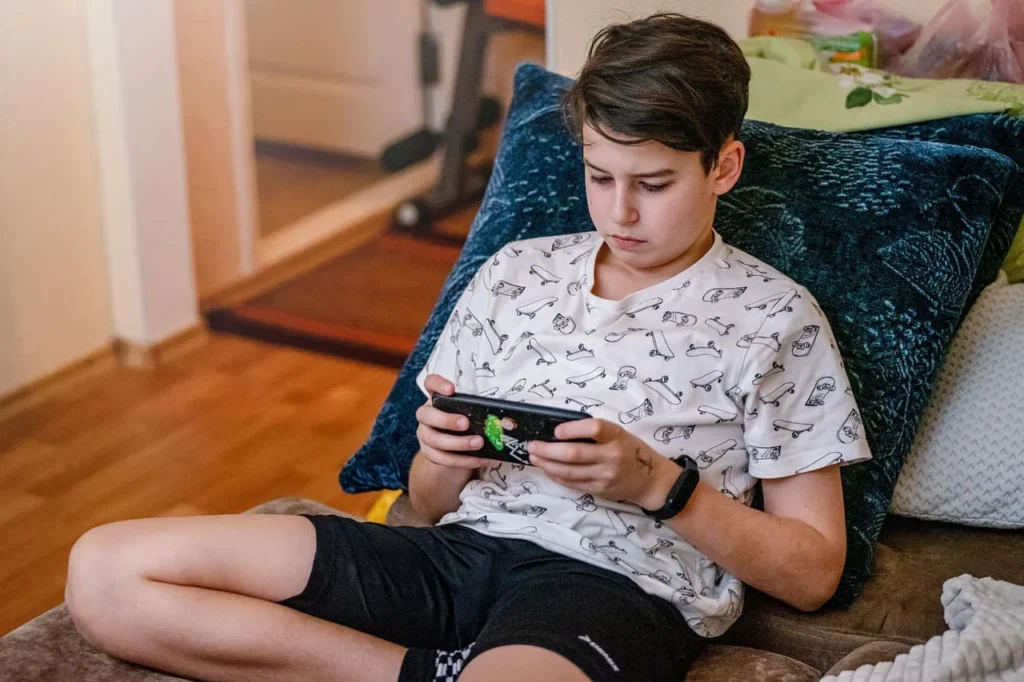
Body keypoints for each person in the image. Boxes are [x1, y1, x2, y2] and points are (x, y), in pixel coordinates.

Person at [64, 12, 871, 682]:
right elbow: (426, 503)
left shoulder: (776, 319)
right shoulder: (516, 271)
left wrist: (659, 484)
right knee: (106, 575)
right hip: (456, 554)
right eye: (599, 176)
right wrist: (445, 454)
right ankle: (422, 673)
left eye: (652, 184)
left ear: (723, 165)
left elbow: (811, 573)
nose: (619, 213)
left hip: (614, 588)